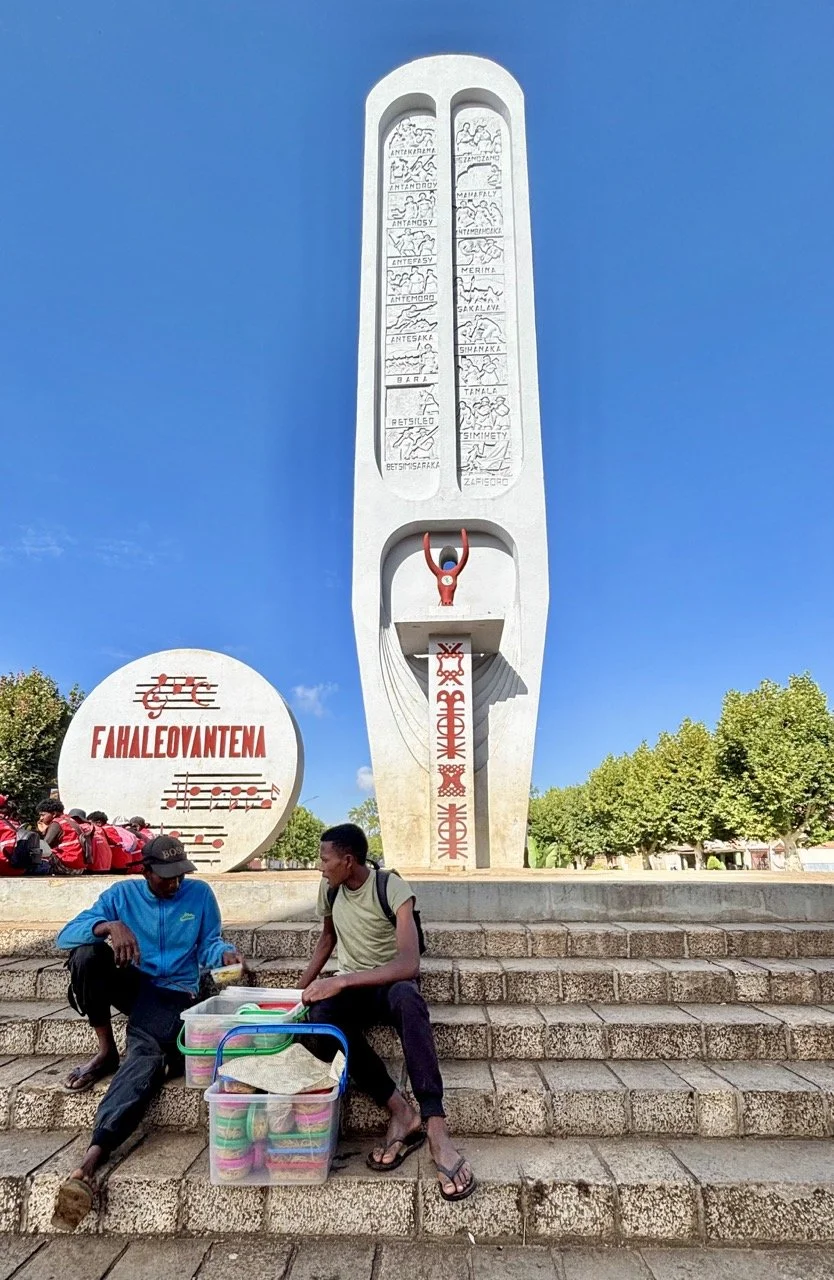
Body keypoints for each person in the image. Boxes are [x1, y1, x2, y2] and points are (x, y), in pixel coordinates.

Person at [51, 835, 242, 1230]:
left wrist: (224, 954)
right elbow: (65, 935)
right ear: (145, 871)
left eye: (180, 876)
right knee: (86, 955)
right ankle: (105, 1050)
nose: (174, 884)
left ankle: (92, 1158)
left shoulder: (200, 895)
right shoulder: (122, 895)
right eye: (165, 878)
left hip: (174, 995)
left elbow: (209, 943)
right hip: (131, 980)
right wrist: (108, 926)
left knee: (147, 1056)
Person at [299, 823, 475, 1202]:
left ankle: (436, 1125)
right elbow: (327, 938)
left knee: (408, 1001)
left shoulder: (390, 887)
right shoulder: (330, 888)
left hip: (392, 982)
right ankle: (400, 1111)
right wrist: (301, 991)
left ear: (348, 861)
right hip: (355, 988)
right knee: (318, 1021)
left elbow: (409, 963)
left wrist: (343, 981)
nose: (319, 866)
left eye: (324, 859)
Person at [37, 799, 86, 874]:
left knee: (35, 855)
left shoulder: (56, 823)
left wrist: (43, 831)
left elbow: (45, 846)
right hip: (79, 866)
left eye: (43, 815)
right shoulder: (69, 820)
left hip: (67, 865)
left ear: (53, 814)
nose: (41, 818)